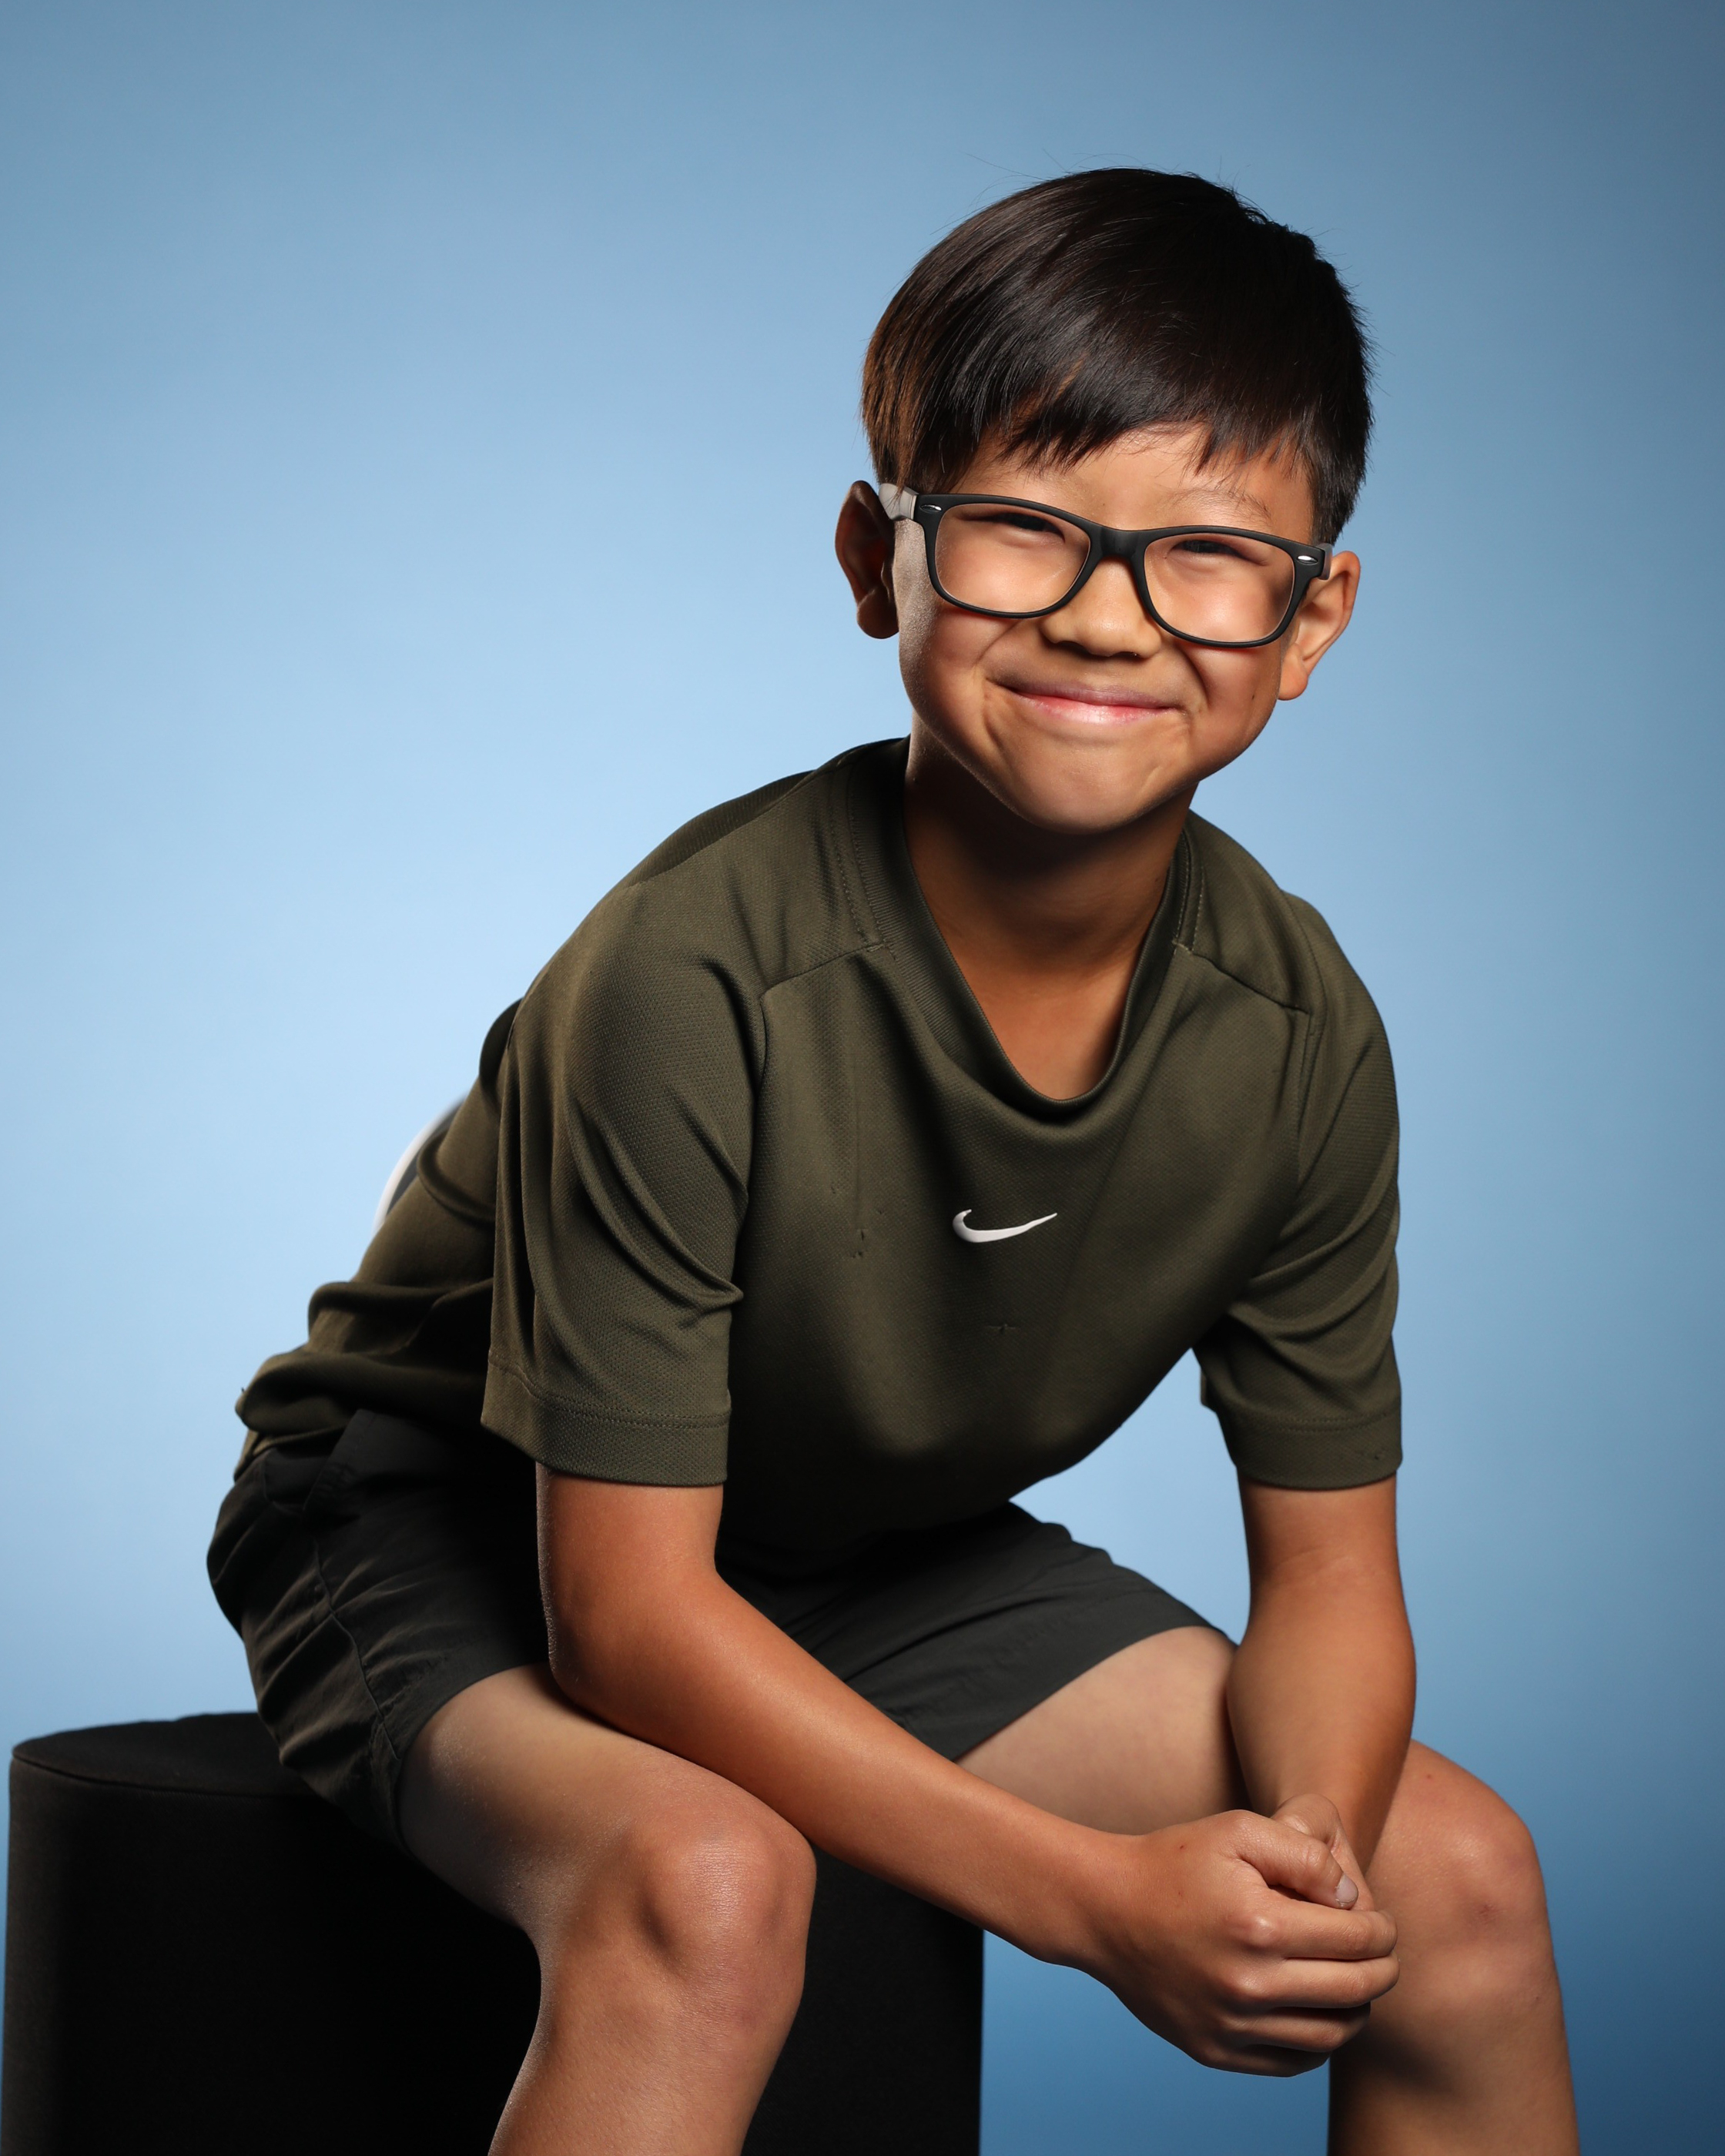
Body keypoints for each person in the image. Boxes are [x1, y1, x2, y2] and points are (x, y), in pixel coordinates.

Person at [210, 169, 1579, 2154]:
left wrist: (1297, 1862)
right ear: (882, 557)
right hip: (443, 1519)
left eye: (1209, 555)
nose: (1106, 614)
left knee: (1452, 1884)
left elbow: (1333, 1586)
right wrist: (1098, 1902)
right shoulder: (695, 974)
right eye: (1025, 527)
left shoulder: (1294, 1033)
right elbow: (627, 1618)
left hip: (857, 1552)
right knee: (706, 1889)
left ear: (1310, 620)